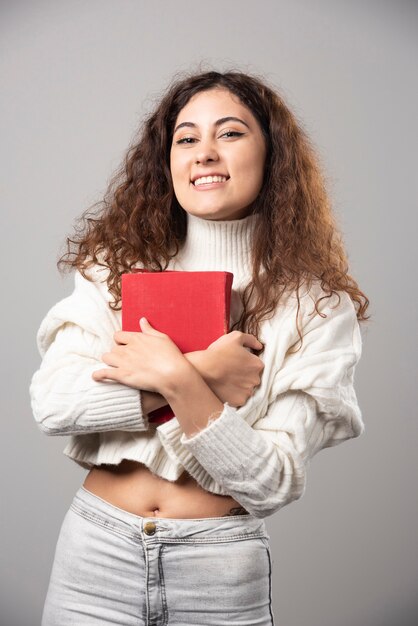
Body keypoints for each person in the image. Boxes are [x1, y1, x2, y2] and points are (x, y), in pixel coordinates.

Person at [30, 69, 369, 626]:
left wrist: (176, 379)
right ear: (168, 162)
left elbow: (271, 479)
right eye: (186, 139)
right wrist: (200, 373)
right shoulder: (114, 269)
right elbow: (55, 405)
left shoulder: (318, 306)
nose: (205, 153)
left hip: (219, 571)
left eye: (230, 134)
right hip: (95, 556)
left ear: (272, 155)